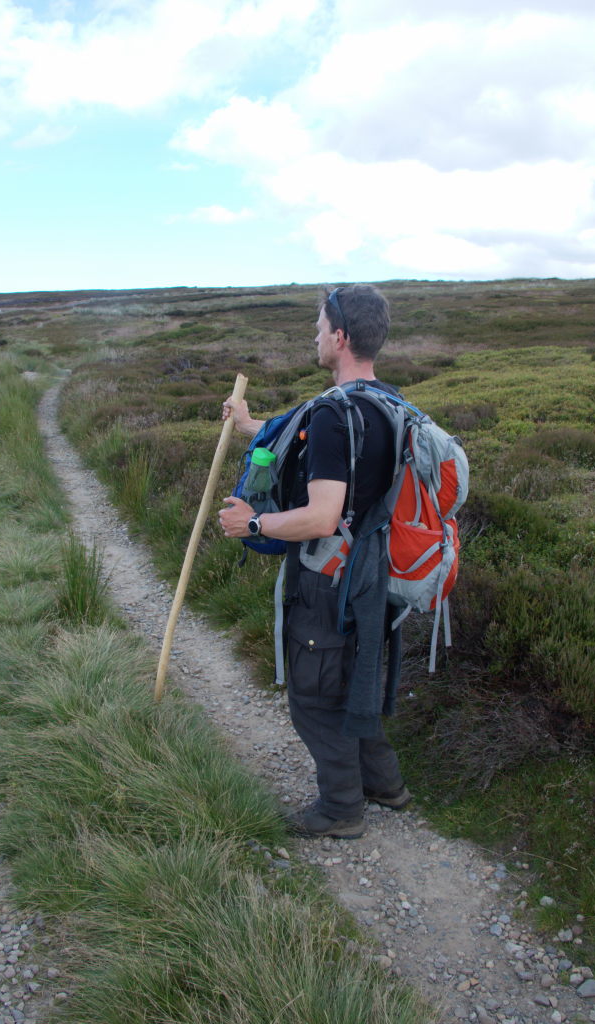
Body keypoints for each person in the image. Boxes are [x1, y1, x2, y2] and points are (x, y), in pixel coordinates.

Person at [218, 284, 410, 839]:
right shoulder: (385, 402)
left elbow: (321, 518)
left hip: (329, 579)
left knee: (314, 698)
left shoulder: (333, 415)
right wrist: (250, 425)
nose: (315, 335)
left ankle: (341, 809)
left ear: (342, 337)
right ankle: (385, 785)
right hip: (373, 574)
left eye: (321, 326)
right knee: (354, 680)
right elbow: (299, 439)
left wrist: (252, 524)